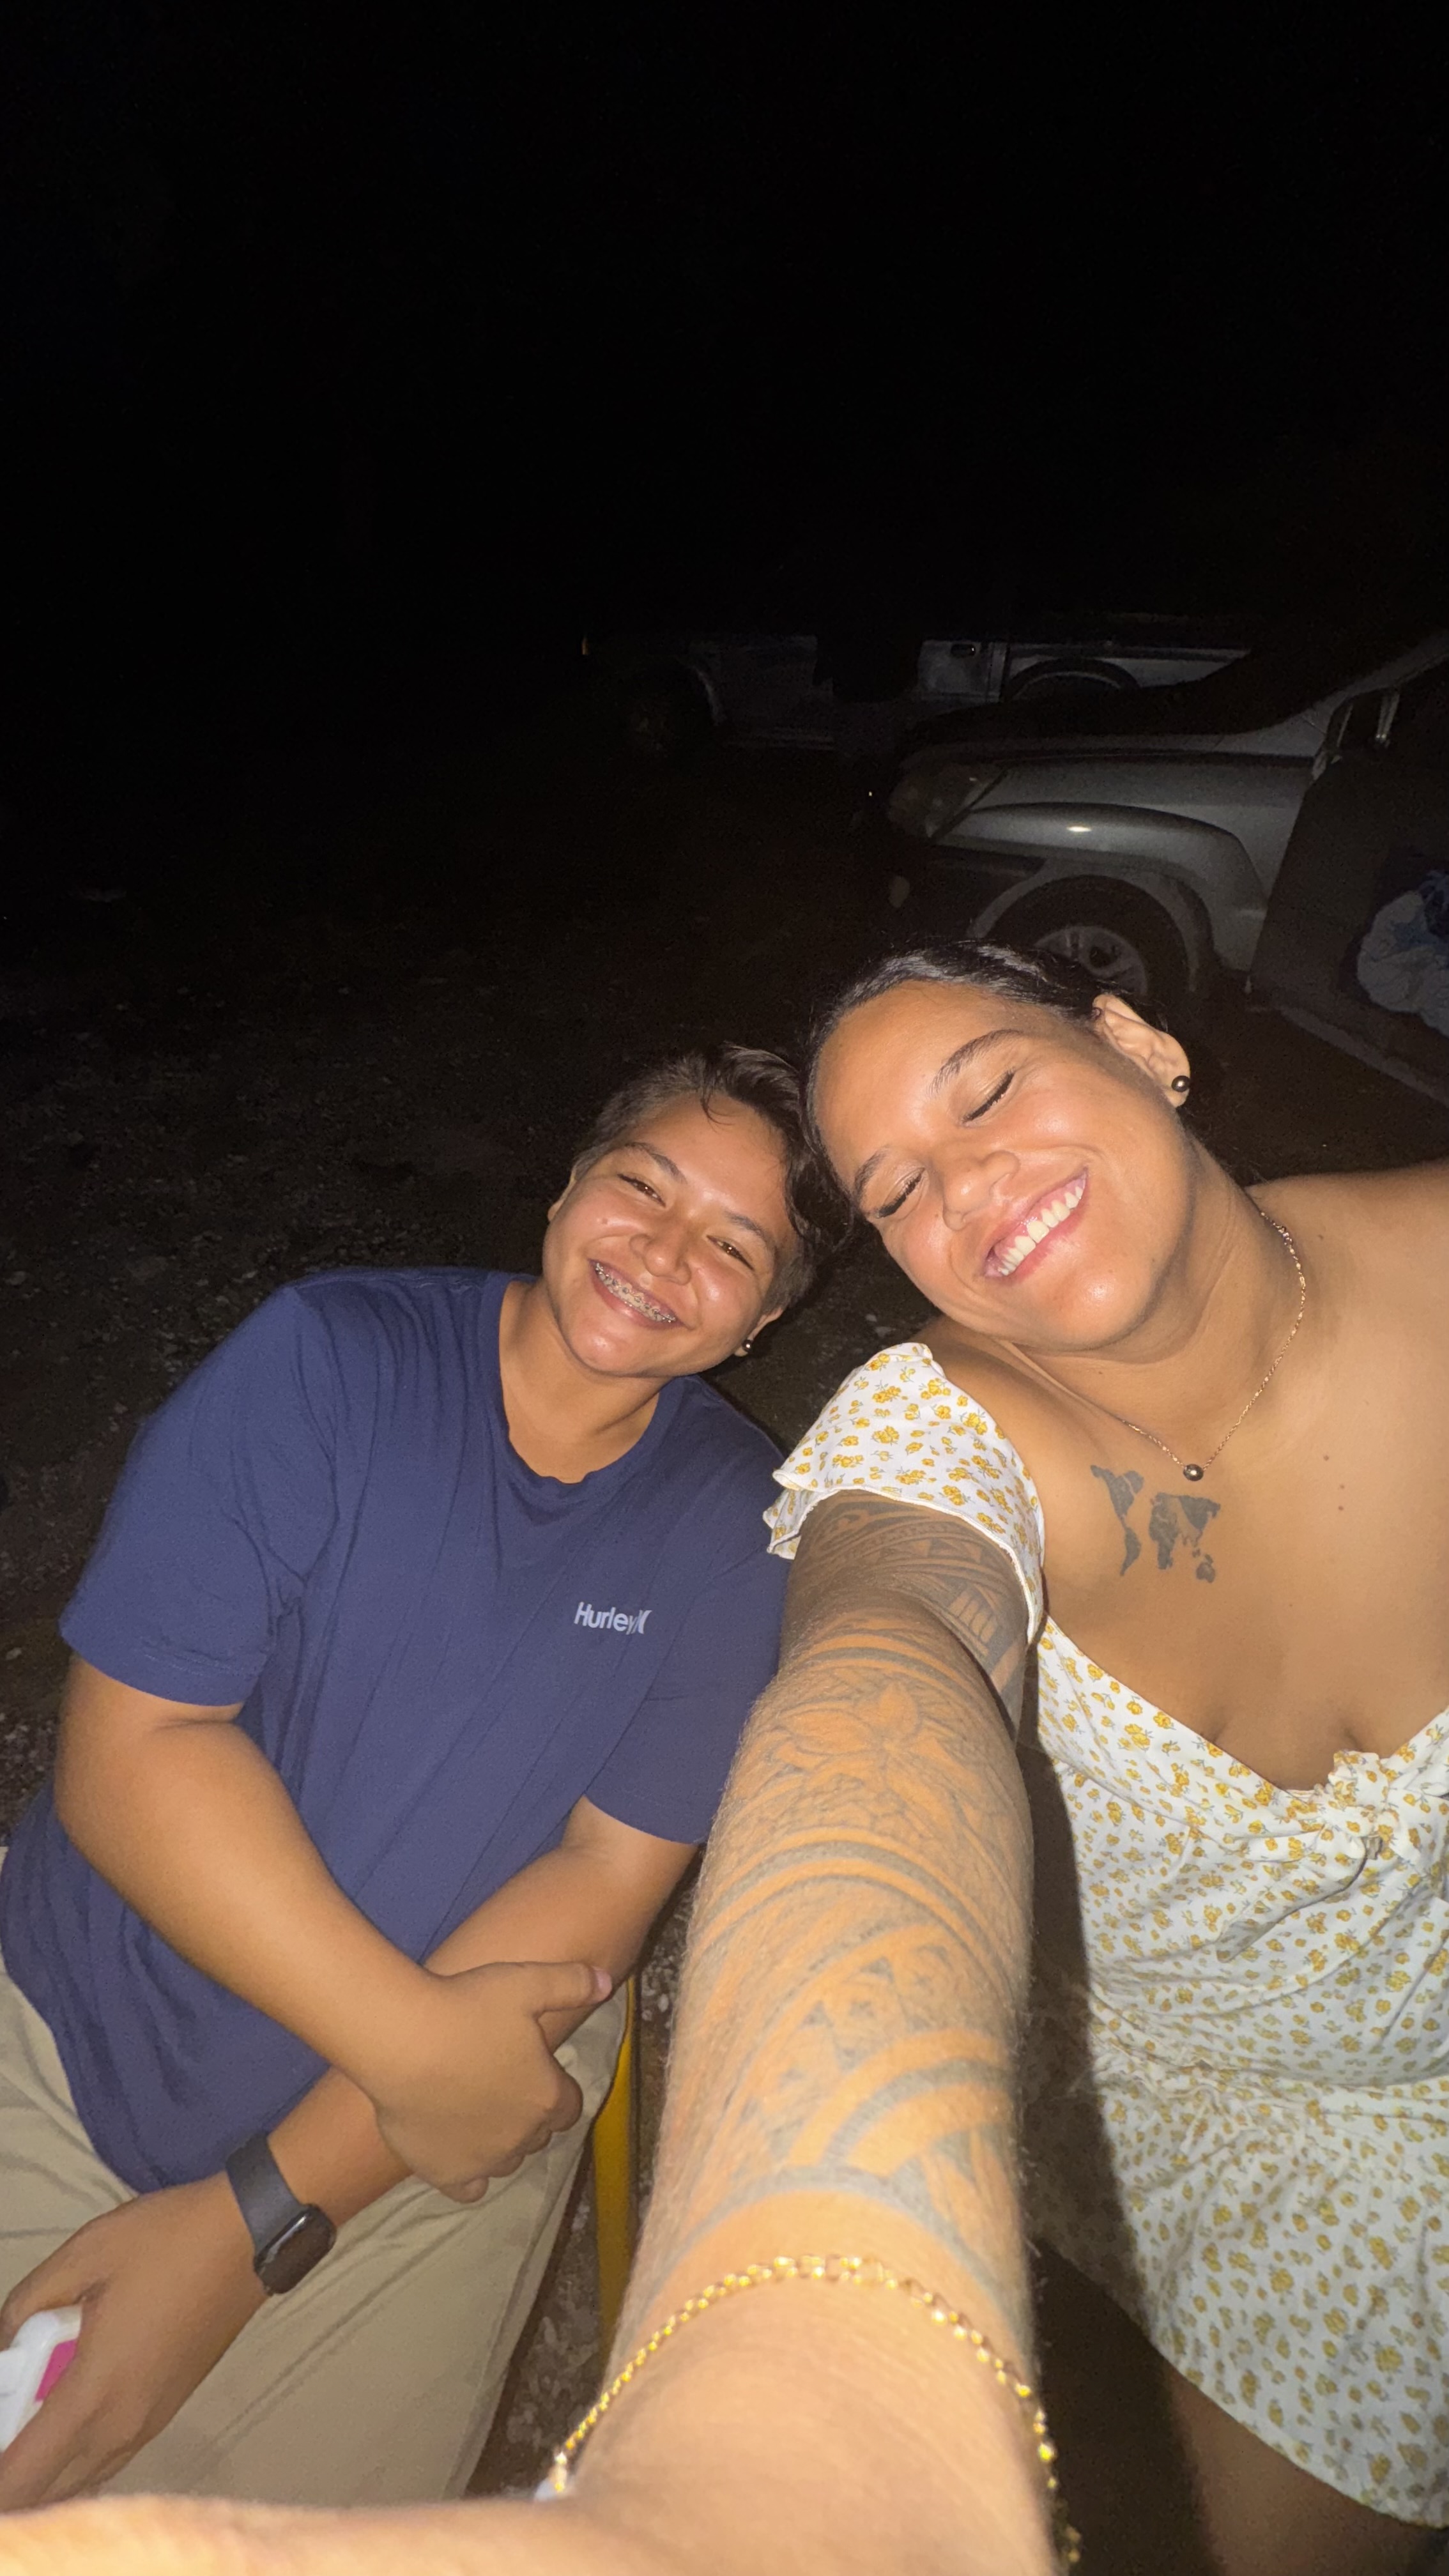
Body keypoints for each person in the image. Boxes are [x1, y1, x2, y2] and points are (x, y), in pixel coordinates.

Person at [0, 1042, 837, 2517]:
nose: (663, 1253)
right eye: (642, 1186)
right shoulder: (327, 1362)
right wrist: (419, 2053)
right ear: (568, 1186)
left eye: (732, 1247)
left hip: (404, 2146)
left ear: (765, 1319)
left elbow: (603, 1874)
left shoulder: (735, 1532)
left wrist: (252, 2226)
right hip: (90, 2031)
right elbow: (135, 1757)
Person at [757, 940, 1448, 2576]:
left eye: (989, 1089)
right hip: (1227, 2112)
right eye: (897, 1192)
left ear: (1141, 1044)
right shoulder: (940, 1434)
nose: (965, 1187)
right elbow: (877, 1688)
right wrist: (783, 2269)